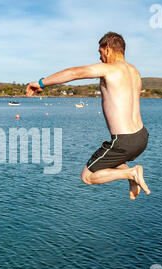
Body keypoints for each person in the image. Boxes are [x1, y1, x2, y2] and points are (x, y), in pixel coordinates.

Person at [26, 32, 151, 199]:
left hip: (123, 140)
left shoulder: (109, 69)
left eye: (100, 54)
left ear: (107, 49)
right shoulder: (134, 71)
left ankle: (131, 173)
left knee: (87, 176)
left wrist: (41, 83)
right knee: (115, 157)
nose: (100, 59)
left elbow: (74, 73)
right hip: (141, 137)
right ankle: (130, 176)